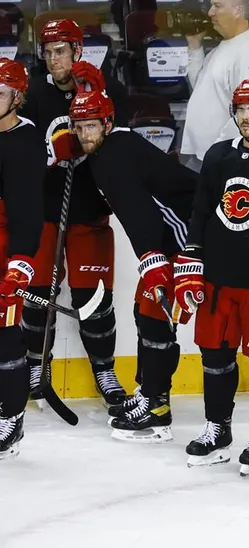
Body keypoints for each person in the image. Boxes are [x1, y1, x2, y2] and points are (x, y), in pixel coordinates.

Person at [174, 79, 249, 471]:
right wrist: (193, 259)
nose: (247, 117)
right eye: (242, 110)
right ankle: (217, 427)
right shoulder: (219, 156)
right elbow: (201, 211)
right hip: (219, 278)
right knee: (215, 354)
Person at [68, 90, 198, 442]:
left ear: (107, 124)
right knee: (148, 314)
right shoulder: (109, 149)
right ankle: (150, 396)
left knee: (154, 316)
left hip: (185, 235)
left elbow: (139, 211)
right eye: (78, 127)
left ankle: (156, 407)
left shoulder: (113, 155)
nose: (85, 135)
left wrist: (152, 258)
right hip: (171, 235)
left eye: (91, 126)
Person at [19, 18, 129, 407]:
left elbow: (121, 149)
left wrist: (97, 99)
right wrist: (53, 153)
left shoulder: (109, 90)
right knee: (36, 293)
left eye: (61, 51)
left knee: (94, 298)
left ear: (78, 51)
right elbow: (21, 153)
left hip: (91, 213)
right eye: (47, 52)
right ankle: (36, 362)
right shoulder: (32, 94)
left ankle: (105, 368)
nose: (53, 59)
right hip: (43, 211)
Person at [0, 58, 46, 460]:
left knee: (5, 337)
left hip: (6, 250)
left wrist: (20, 262)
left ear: (16, 98)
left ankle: (10, 419)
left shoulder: (24, 143)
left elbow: (30, 212)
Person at [180, 0, 249, 169]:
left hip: (222, 158)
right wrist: (194, 45)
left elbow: (247, 111)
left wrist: (220, 151)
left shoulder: (248, 50)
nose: (210, 12)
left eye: (217, 6)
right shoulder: (224, 46)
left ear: (238, 11)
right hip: (203, 155)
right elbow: (200, 86)